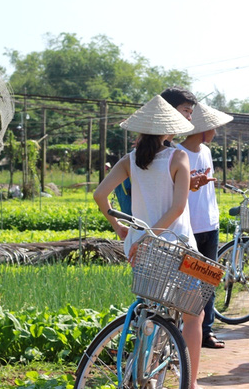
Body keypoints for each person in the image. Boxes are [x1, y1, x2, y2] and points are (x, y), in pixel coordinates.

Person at [93, 95, 205, 389]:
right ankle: (190, 383)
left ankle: (148, 375)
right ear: (169, 129)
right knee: (194, 315)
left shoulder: (129, 160)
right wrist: (150, 236)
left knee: (151, 312)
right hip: (179, 248)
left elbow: (99, 195)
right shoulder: (178, 157)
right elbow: (178, 208)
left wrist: (122, 230)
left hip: (141, 250)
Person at [173, 101, 233, 349]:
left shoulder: (205, 152)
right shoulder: (177, 154)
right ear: (201, 128)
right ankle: (182, 335)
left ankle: (205, 332)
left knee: (209, 281)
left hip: (210, 225)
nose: (215, 133)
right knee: (188, 286)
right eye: (213, 128)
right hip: (189, 228)